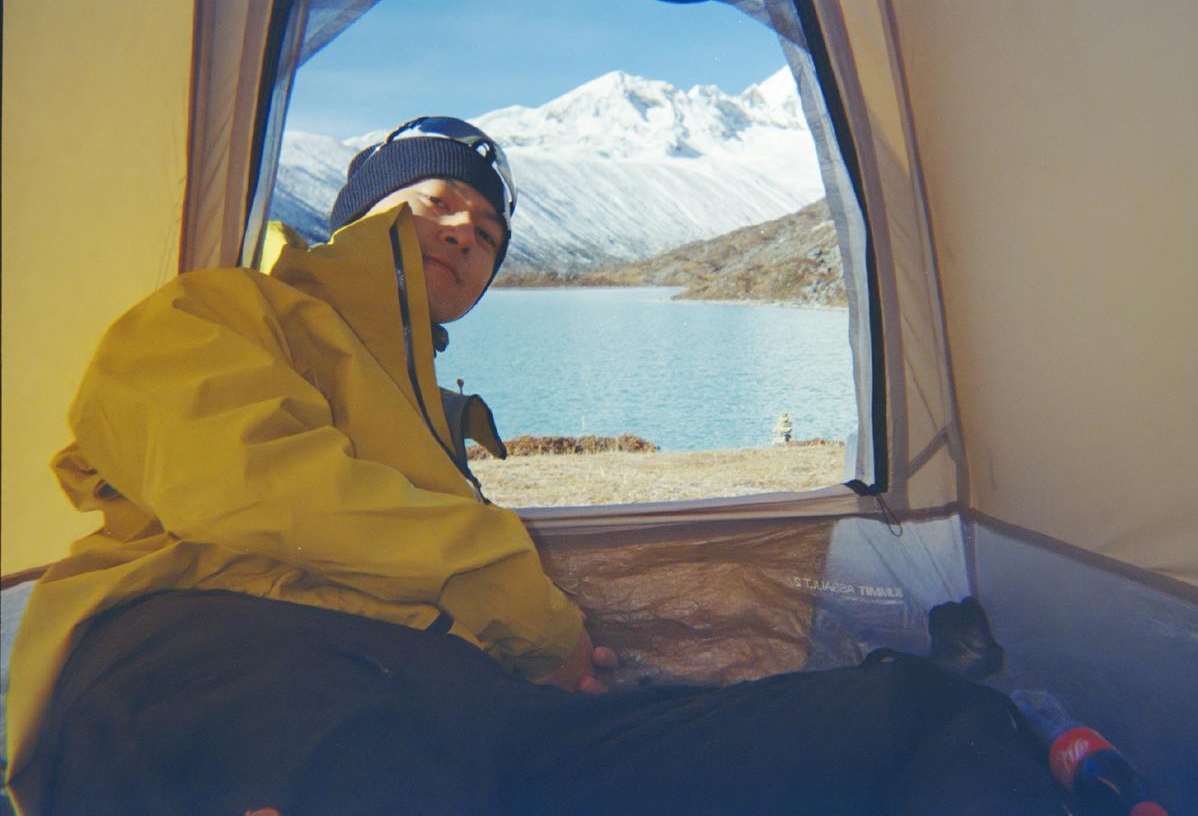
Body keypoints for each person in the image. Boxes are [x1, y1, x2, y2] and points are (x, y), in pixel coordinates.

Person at [5, 118, 1061, 814]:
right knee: (376, 773)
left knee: (923, 714)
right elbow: (260, 484)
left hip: (463, 710)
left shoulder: (433, 425)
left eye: (489, 229)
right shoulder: (217, 312)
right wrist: (534, 620)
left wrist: (537, 662)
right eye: (435, 200)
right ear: (356, 213)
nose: (464, 230)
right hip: (222, 658)